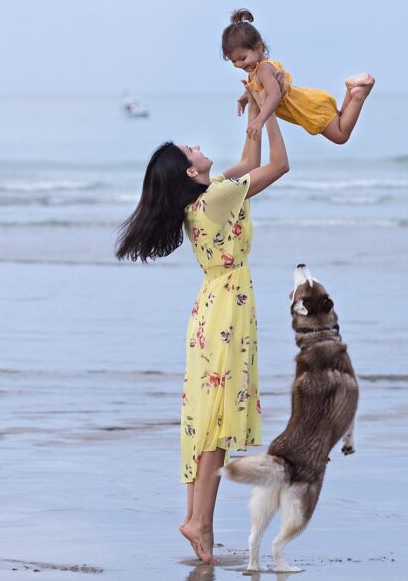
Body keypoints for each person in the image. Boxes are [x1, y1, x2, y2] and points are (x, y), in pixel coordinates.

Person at [115, 103, 290, 564]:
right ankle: (200, 522)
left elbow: (249, 163)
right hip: (226, 313)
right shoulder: (215, 198)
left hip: (214, 310)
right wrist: (272, 112)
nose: (197, 145)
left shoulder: (208, 194)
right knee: (213, 425)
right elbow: (278, 165)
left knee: (206, 421)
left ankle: (198, 521)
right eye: (189, 149)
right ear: (190, 172)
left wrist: (255, 107)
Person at [222, 8, 376, 145]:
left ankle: (358, 96)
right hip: (309, 101)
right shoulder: (256, 69)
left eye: (242, 58)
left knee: (341, 136)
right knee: (342, 121)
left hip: (308, 108)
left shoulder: (263, 70)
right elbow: (260, 88)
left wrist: (259, 121)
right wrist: (245, 98)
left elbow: (274, 95)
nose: (239, 64)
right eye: (233, 61)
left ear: (258, 47)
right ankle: (350, 88)